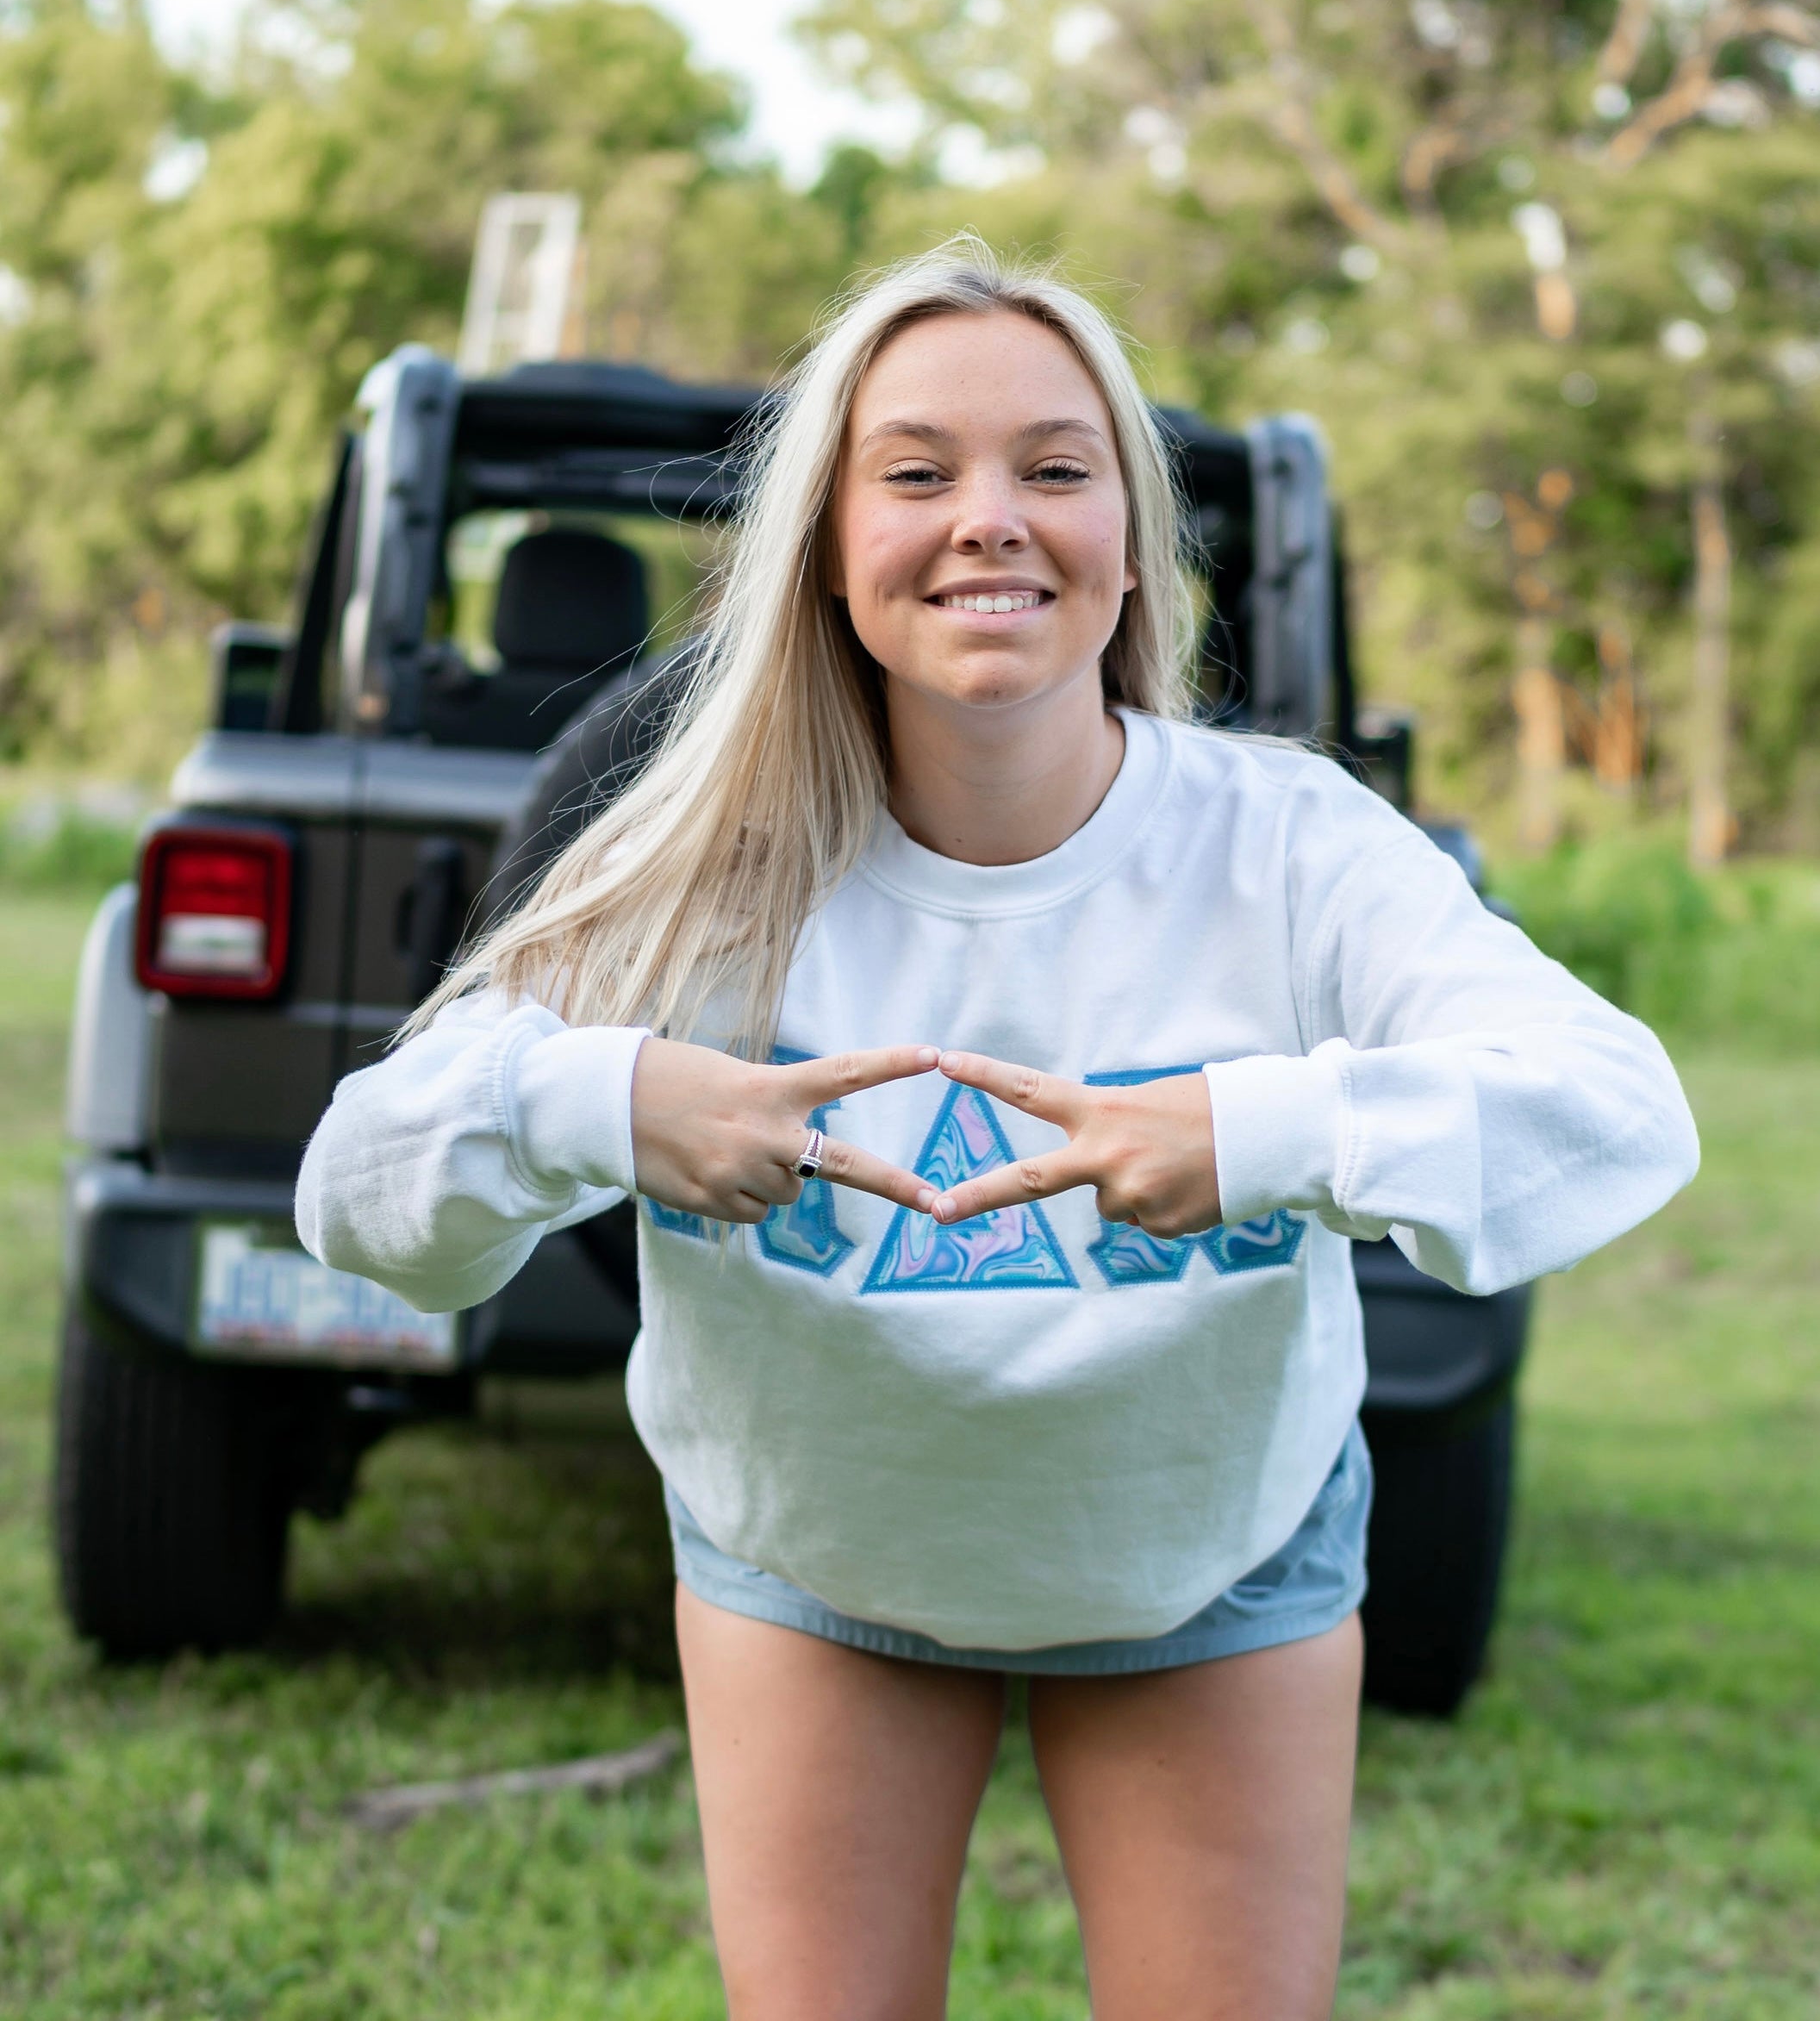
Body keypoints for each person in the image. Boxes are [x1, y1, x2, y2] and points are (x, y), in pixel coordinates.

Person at [298, 235, 1699, 2019]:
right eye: (916, 472)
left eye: (1055, 468)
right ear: (824, 544)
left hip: (1210, 1559)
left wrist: (1255, 1137)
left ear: (1131, 548)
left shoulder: (1288, 847)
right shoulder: (693, 872)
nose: (990, 518)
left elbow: (1617, 1113)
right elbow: (358, 1191)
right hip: (811, 1560)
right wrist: (610, 1103)